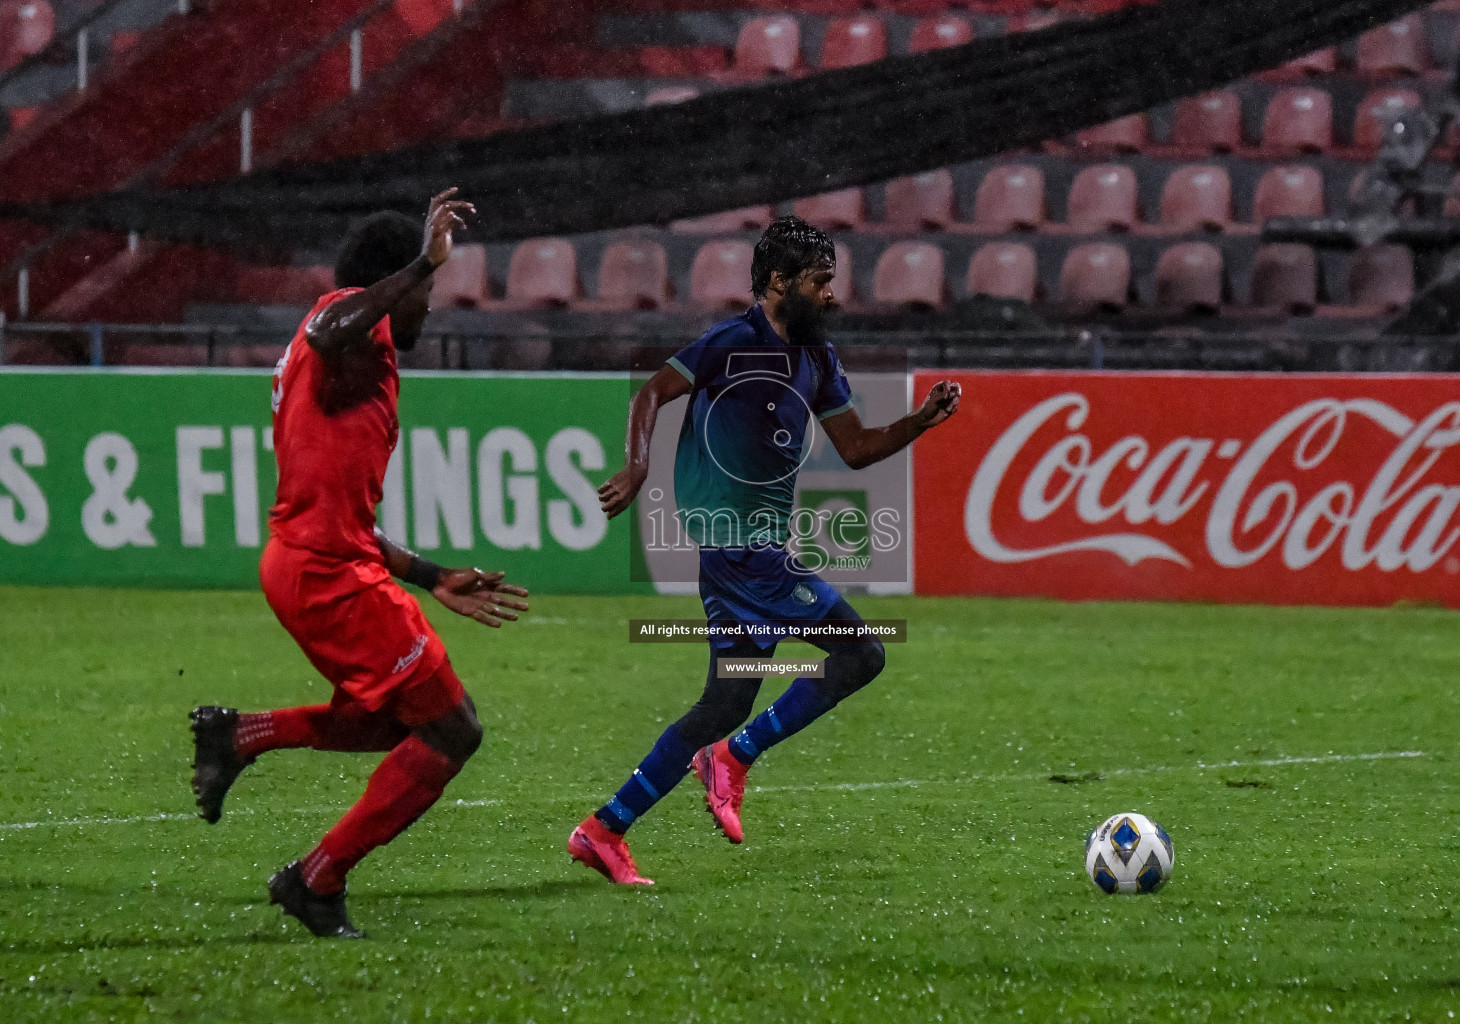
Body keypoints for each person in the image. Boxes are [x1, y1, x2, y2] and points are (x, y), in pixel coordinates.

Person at [567, 215, 962, 885]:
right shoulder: (730, 342)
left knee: (723, 703)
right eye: (820, 282)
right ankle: (735, 757)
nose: (833, 295)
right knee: (861, 653)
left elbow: (858, 449)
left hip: (746, 556)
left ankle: (604, 829)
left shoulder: (817, 360)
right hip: (741, 553)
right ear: (778, 283)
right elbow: (653, 393)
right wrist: (635, 467)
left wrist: (920, 422)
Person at [189, 189, 528, 938]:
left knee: (397, 724)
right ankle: (315, 879)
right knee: (454, 731)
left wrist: (432, 573)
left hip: (312, 559)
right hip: (325, 574)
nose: (427, 310)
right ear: (393, 283)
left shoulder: (356, 354)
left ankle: (242, 735)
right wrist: (420, 263)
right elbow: (328, 328)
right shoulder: (344, 320)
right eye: (425, 294)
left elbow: (344, 515)